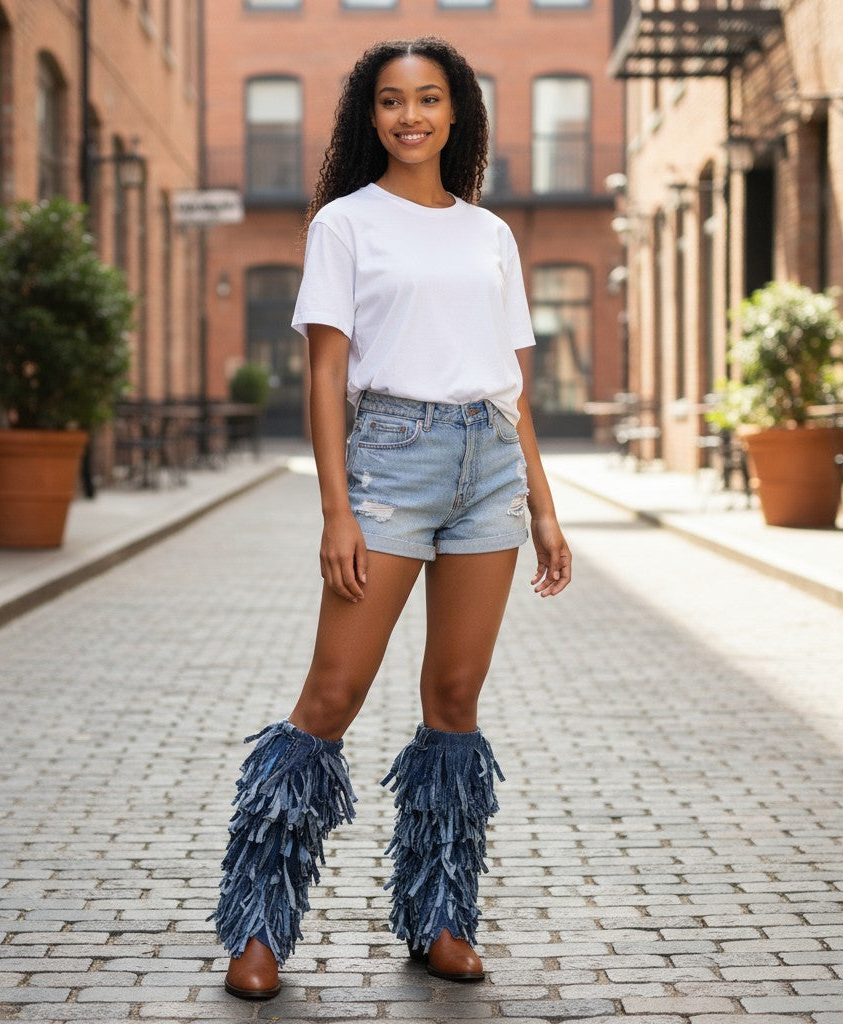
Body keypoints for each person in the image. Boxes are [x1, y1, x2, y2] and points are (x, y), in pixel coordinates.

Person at [208, 36, 572, 1001]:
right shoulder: (344, 224)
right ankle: (256, 927)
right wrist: (338, 510)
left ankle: (441, 914)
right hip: (391, 465)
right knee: (332, 696)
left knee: (454, 701)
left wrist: (543, 504)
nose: (410, 116)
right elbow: (325, 377)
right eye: (390, 102)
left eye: (429, 99)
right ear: (369, 117)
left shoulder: (490, 234)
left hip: (489, 467)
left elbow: (513, 383)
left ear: (457, 114)